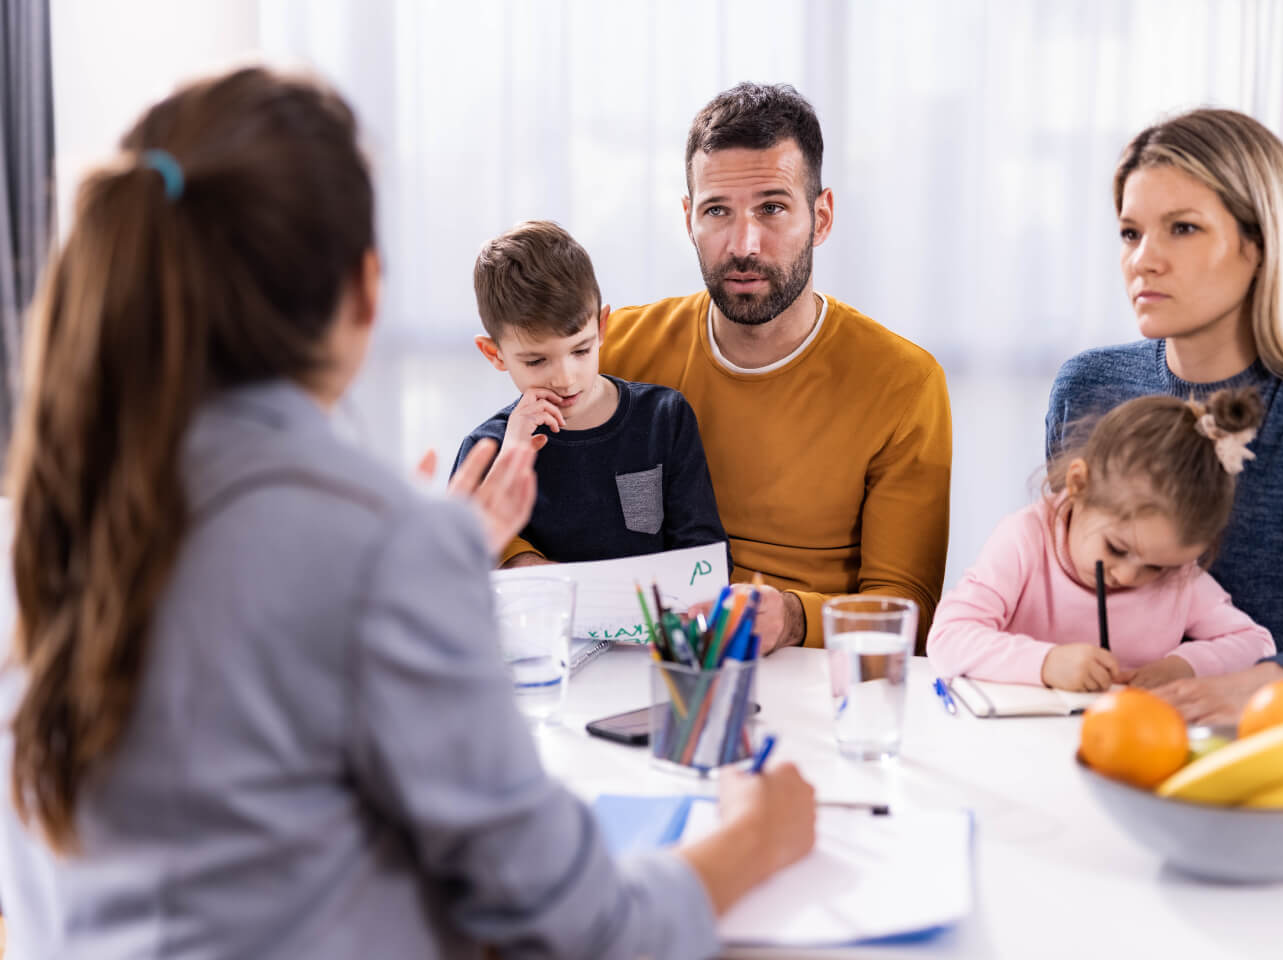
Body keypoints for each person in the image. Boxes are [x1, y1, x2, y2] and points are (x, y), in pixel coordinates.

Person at [0, 67, 815, 960]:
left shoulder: (58, 522)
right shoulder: (377, 541)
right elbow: (588, 928)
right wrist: (755, 838)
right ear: (365, 290)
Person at [1047, 108, 1283, 721]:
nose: (1143, 260)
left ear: (1259, 245)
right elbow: (1050, 577)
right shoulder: (1088, 385)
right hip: (1098, 741)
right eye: (1130, 232)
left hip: (1268, 762)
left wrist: (1265, 682)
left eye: (1182, 228)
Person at [601, 82, 951, 654]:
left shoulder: (905, 383)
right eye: (718, 210)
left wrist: (791, 618)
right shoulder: (615, 350)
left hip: (813, 677)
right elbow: (506, 494)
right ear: (689, 218)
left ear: (822, 215)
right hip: (636, 663)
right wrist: (527, 566)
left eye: (772, 207)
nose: (745, 243)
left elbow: (904, 615)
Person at [930, 389, 1276, 692]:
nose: (1127, 577)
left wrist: (1185, 666)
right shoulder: (1026, 540)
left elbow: (1257, 643)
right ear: (1079, 484)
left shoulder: (1179, 575)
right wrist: (1047, 663)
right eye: (1117, 549)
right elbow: (949, 636)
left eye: (1155, 567)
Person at [452, 220, 728, 567]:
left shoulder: (664, 417)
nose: (566, 379)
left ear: (601, 328)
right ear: (495, 354)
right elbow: (458, 570)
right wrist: (510, 456)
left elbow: (703, 554)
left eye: (580, 351)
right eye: (537, 361)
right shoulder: (487, 448)